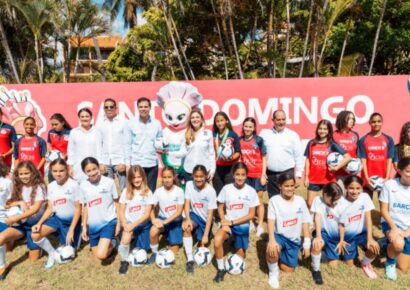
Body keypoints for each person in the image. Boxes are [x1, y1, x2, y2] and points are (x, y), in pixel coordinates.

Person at [31, 158, 81, 269]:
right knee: (35, 234)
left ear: (67, 169)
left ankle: (73, 235)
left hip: (71, 222)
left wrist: (71, 230)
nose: (58, 174)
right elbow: (50, 208)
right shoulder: (51, 186)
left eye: (61, 171)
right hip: (57, 219)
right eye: (55, 171)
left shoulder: (74, 185)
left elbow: (78, 209)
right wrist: (39, 223)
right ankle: (52, 254)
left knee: (69, 251)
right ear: (51, 171)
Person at [213, 162, 259, 283]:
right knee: (217, 241)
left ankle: (235, 240)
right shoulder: (226, 189)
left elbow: (251, 215)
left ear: (246, 175)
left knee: (240, 256)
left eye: (243, 175)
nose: (240, 177)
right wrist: (224, 221)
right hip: (227, 223)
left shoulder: (251, 191)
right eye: (237, 174)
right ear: (233, 175)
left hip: (241, 225)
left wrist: (231, 222)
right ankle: (221, 269)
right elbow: (220, 206)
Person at [0, 161, 46, 280]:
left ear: (33, 173)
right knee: (1, 239)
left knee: (33, 260)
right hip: (21, 224)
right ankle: (2, 266)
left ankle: (37, 247)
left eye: (27, 173)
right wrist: (19, 203)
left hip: (35, 225)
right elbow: (8, 203)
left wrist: (16, 217)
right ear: (17, 175)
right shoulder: (17, 186)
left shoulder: (39, 187)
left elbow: (35, 209)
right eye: (21, 174)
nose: (24, 176)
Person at [265, 173, 311, 289]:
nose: (289, 188)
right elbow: (270, 221)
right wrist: (271, 240)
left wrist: (306, 243)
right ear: (280, 186)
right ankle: (273, 274)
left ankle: (283, 256)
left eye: (291, 185)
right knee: (272, 250)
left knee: (288, 269)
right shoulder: (274, 201)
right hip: (279, 235)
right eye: (286, 186)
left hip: (293, 240)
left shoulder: (300, 201)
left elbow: (305, 222)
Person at [337, 176, 380, 278]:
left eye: (358, 188)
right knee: (349, 265)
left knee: (374, 248)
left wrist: (370, 238)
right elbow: (341, 225)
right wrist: (342, 240)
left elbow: (369, 219)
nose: (355, 191)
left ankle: (365, 264)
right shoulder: (341, 203)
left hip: (362, 233)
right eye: (351, 188)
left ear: (362, 188)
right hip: (348, 236)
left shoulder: (365, 197)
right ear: (346, 188)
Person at [79, 157, 120, 263]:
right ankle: (110, 243)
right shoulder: (83, 185)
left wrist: (119, 223)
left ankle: (114, 242)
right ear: (84, 172)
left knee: (101, 255)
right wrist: (84, 227)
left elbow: (117, 203)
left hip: (109, 222)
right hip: (93, 226)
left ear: (98, 167)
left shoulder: (109, 182)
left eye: (94, 169)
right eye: (88, 171)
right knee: (97, 258)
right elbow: (86, 207)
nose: (92, 173)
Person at [304, 119, 350, 209]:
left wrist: (337, 168)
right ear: (317, 129)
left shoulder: (332, 144)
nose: (322, 131)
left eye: (325, 129)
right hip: (314, 178)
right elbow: (307, 160)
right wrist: (306, 176)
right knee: (310, 203)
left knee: (329, 203)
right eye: (320, 128)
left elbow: (348, 157)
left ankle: (326, 221)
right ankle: (312, 221)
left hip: (328, 179)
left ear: (329, 131)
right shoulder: (311, 143)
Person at [118, 165, 154, 275]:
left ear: (143, 177)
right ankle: (124, 261)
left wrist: (133, 225)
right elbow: (121, 210)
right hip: (129, 224)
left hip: (142, 225)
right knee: (125, 238)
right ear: (130, 179)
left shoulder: (148, 192)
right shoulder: (126, 192)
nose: (136, 180)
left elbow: (147, 214)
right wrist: (124, 224)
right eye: (133, 177)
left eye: (139, 177)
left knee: (144, 249)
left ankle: (136, 238)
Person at [310, 182, 349, 284]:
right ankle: (316, 270)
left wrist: (341, 240)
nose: (334, 203)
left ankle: (321, 253)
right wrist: (318, 236)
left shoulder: (343, 203)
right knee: (317, 244)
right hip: (323, 232)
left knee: (333, 265)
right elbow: (317, 217)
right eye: (332, 200)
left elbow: (341, 224)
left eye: (336, 200)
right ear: (325, 194)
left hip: (335, 235)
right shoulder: (317, 200)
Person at [260, 110, 304, 198]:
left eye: (283, 119)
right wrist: (262, 173)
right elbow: (260, 156)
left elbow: (299, 156)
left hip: (287, 173)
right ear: (273, 120)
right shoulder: (264, 134)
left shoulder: (292, 135)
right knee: (273, 199)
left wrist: (298, 175)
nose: (281, 122)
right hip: (270, 175)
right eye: (278, 119)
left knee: (288, 199)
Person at [380, 157, 410, 280]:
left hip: (407, 228)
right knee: (398, 244)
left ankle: (384, 244)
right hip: (391, 224)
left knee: (403, 268)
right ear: (399, 170)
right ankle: (390, 262)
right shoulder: (389, 185)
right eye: (408, 171)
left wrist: (407, 232)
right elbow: (383, 210)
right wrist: (394, 228)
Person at [183, 165, 217, 273]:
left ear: (206, 176)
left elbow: (210, 215)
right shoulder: (189, 185)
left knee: (202, 244)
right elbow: (187, 203)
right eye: (196, 176)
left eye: (201, 176)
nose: (198, 179)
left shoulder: (211, 191)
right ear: (192, 176)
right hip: (194, 216)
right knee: (187, 227)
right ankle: (189, 259)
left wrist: (206, 235)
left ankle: (205, 234)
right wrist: (188, 219)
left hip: (206, 220)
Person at [148, 166, 184, 263]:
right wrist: (153, 220)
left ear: (174, 177)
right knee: (153, 231)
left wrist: (164, 222)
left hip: (175, 221)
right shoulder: (158, 191)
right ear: (162, 178)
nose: (167, 180)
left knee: (174, 249)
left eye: (169, 177)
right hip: (163, 218)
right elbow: (151, 207)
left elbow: (179, 212)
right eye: (164, 177)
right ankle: (154, 253)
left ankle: (171, 236)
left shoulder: (179, 191)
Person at [125, 97, 162, 192]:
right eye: (141, 107)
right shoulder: (130, 124)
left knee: (150, 192)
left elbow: (160, 142)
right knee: (136, 192)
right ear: (137, 108)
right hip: (136, 163)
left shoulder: (156, 123)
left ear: (150, 108)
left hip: (152, 163)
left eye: (146, 106)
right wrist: (127, 164)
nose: (143, 109)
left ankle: (151, 207)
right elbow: (127, 145)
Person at [240, 117, 267, 237]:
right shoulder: (239, 140)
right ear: (243, 127)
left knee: (259, 200)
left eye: (250, 126)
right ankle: (250, 221)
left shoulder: (259, 140)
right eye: (246, 126)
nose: (248, 129)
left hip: (257, 174)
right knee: (247, 200)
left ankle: (260, 225)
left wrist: (263, 174)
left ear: (254, 128)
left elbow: (264, 158)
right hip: (245, 176)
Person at [358, 112, 394, 196]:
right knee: (366, 207)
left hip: (383, 178)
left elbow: (389, 160)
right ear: (369, 123)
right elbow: (363, 161)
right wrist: (366, 178)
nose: (376, 124)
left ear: (382, 122)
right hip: (368, 178)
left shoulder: (388, 139)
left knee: (384, 206)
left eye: (379, 121)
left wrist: (387, 177)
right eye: (373, 122)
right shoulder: (363, 140)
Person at [97, 98, 127, 191]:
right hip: (105, 162)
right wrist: (100, 163)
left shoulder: (124, 122)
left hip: (120, 161)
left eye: (111, 107)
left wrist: (124, 161)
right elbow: (98, 145)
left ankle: (125, 205)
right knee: (107, 190)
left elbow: (127, 143)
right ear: (104, 109)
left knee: (124, 190)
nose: (109, 109)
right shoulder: (99, 123)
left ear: (116, 108)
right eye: (106, 107)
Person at [67, 108, 102, 182]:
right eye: (82, 117)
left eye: (87, 116)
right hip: (78, 167)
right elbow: (70, 150)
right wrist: (70, 166)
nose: (85, 118)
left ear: (91, 117)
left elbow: (100, 150)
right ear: (79, 118)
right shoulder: (74, 132)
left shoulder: (97, 131)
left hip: (94, 167)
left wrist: (100, 164)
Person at [181, 109, 215, 182]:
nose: (195, 119)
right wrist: (168, 152)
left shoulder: (208, 133)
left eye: (197, 117)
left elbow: (211, 154)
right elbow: (182, 153)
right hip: (189, 171)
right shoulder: (185, 134)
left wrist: (212, 170)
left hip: (204, 171)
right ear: (190, 120)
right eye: (192, 118)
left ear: (201, 119)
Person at [212, 112, 240, 195]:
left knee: (229, 191)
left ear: (226, 121)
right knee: (218, 191)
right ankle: (220, 208)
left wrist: (230, 157)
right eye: (217, 121)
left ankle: (229, 208)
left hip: (229, 168)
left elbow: (238, 152)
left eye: (222, 120)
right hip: (216, 167)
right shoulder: (213, 135)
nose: (220, 123)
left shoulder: (233, 135)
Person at [333, 110, 360, 182]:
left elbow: (357, 154)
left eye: (353, 119)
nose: (352, 121)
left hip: (352, 173)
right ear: (342, 119)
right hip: (338, 174)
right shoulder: (333, 135)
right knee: (340, 193)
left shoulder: (355, 135)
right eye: (349, 119)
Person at [47, 113, 72, 182]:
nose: (54, 126)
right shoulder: (51, 132)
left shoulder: (70, 132)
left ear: (63, 123)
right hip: (54, 162)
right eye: (52, 124)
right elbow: (49, 143)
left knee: (66, 182)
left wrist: (66, 155)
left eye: (56, 124)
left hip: (66, 161)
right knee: (52, 182)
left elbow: (73, 147)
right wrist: (51, 153)